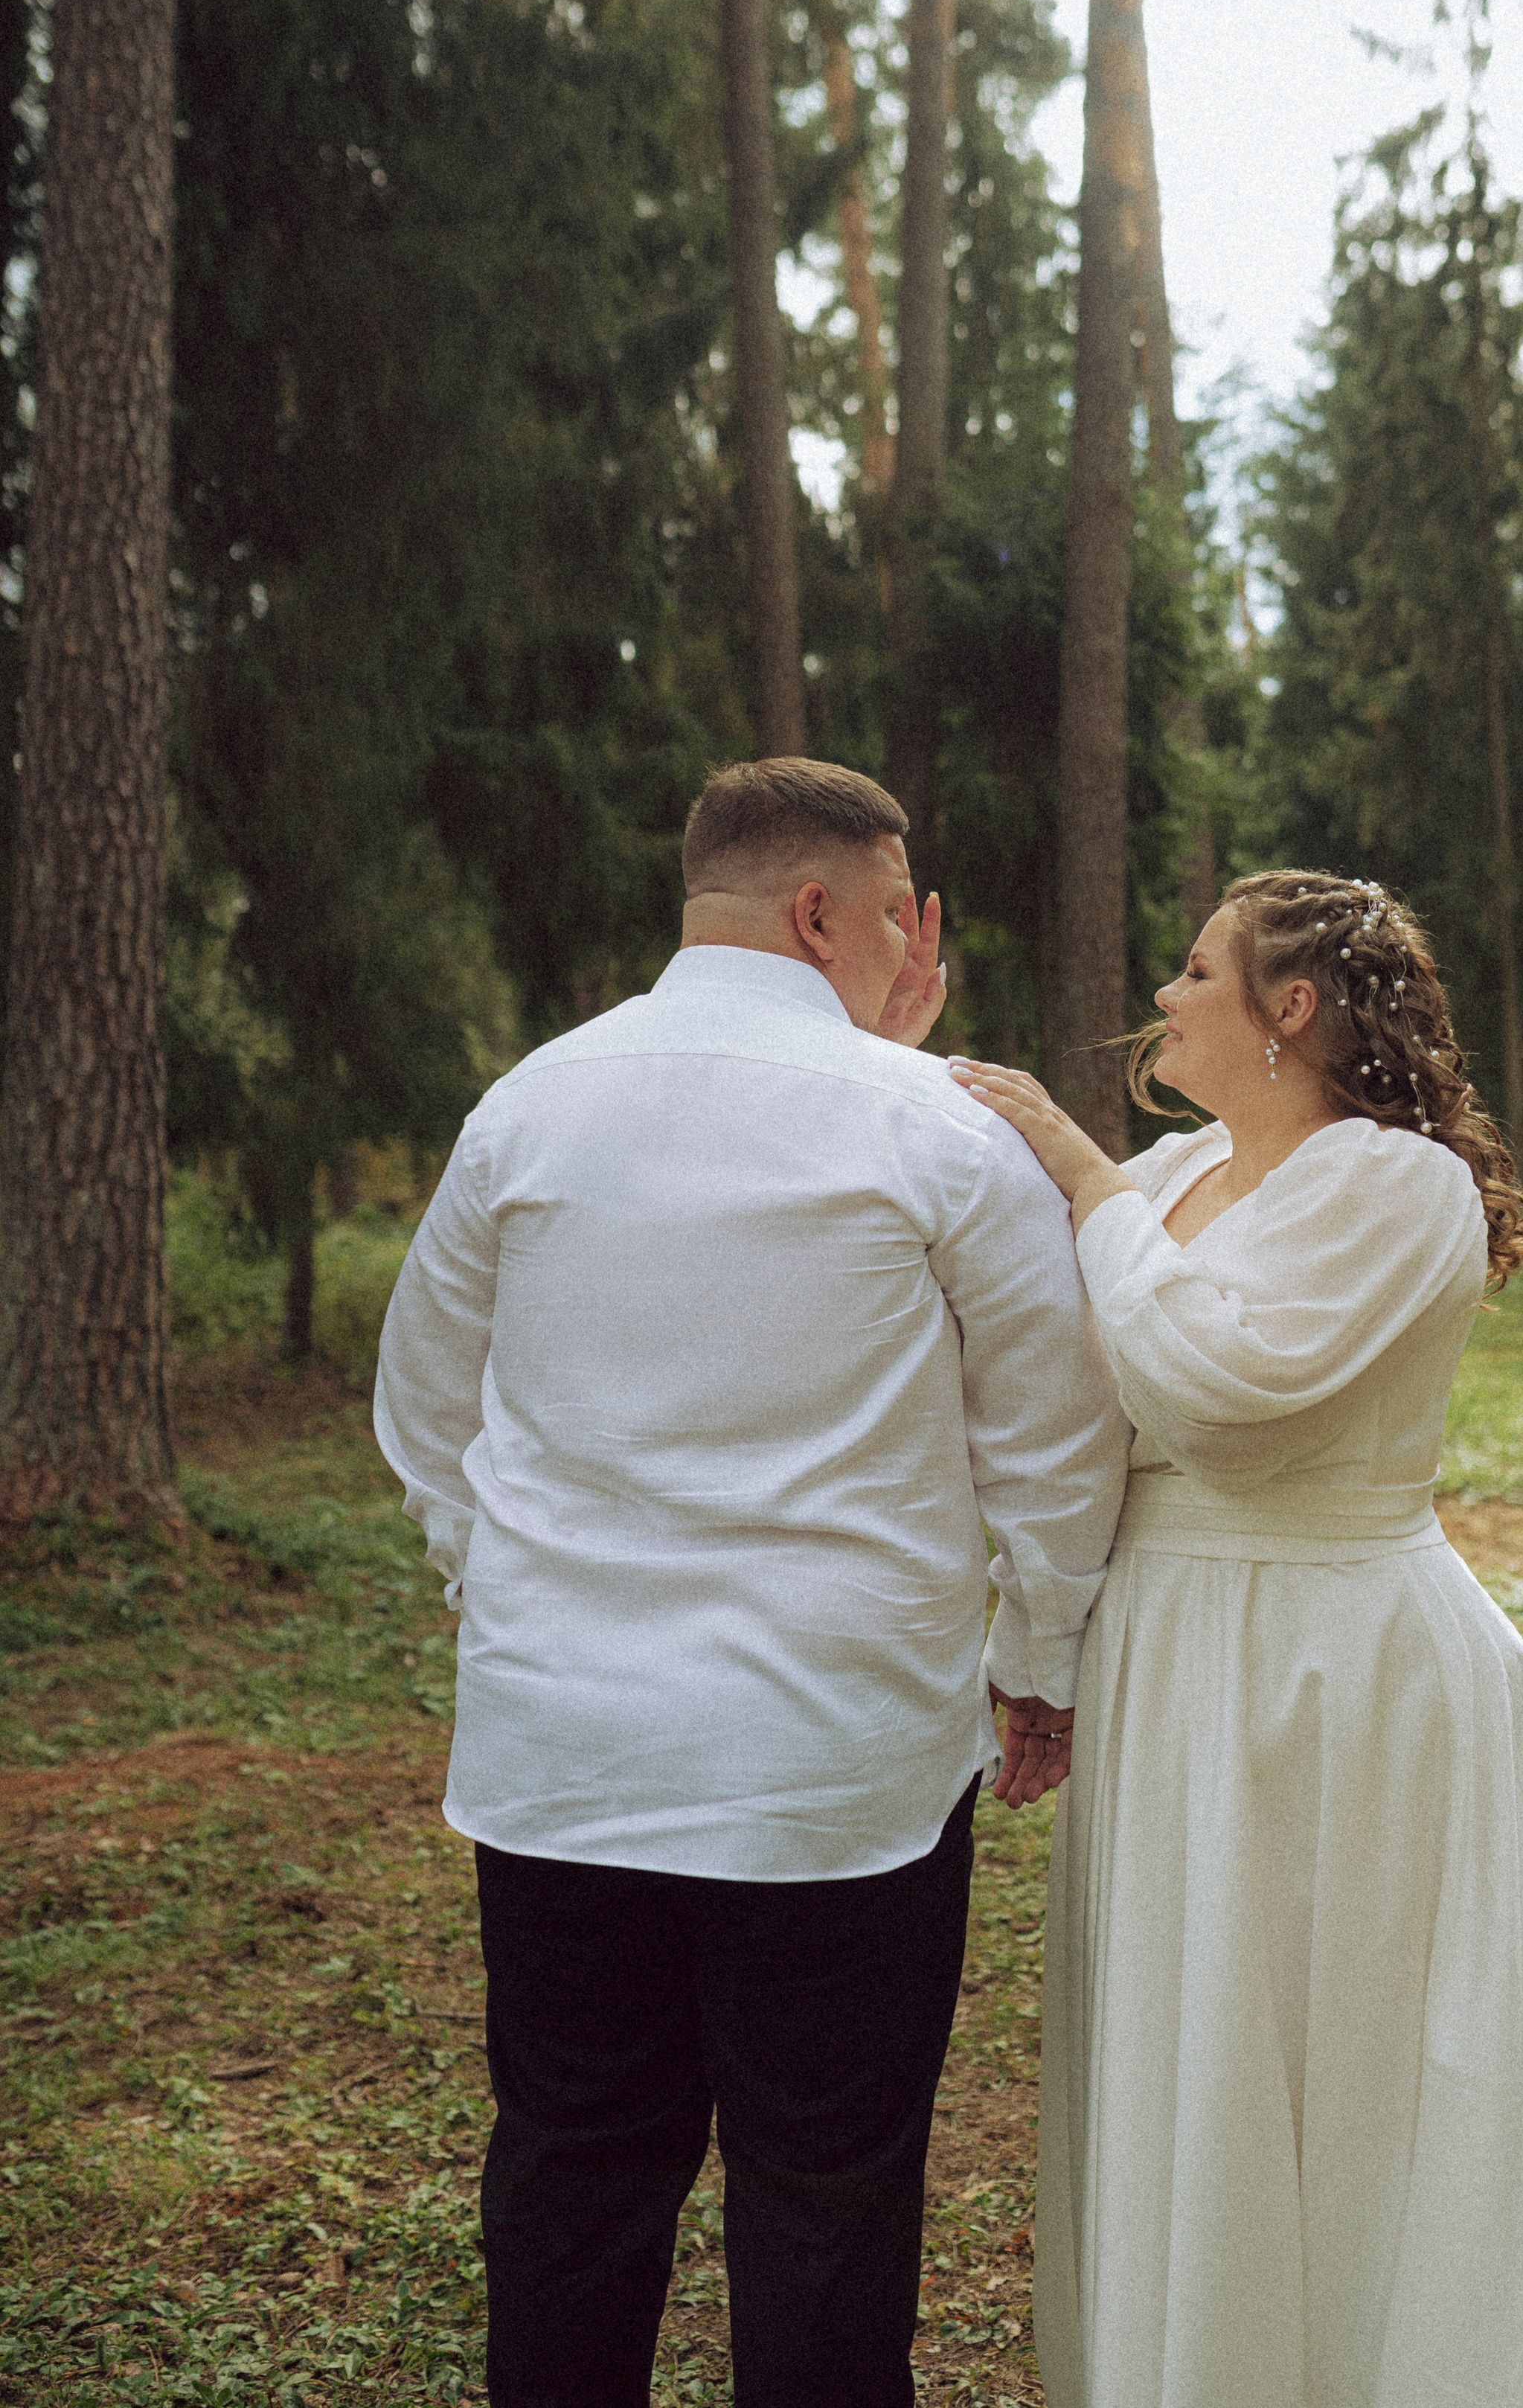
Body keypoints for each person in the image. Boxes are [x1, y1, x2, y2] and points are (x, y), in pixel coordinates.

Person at [375, 756, 1129, 2408]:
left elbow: (425, 1400)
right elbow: (1056, 1436)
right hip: (835, 1768)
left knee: (572, 2172)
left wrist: (494, 1589)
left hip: (566, 1755)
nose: (912, 955)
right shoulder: (932, 1131)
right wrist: (1041, 1652)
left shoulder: (530, 1103)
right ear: (822, 913)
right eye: (898, 915)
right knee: (826, 2194)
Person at [950, 870, 1523, 2408]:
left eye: (1198, 971)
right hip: (1169, 1659)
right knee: (1199, 2064)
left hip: (1344, 1670)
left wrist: (1071, 1170)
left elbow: (1220, 1396)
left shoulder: (1392, 1183)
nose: (1166, 996)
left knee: (1368, 2070)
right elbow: (1066, 1407)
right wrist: (1037, 1646)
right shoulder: (1174, 1172)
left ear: (1290, 1008)